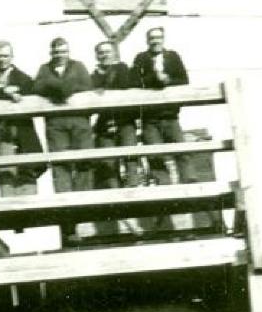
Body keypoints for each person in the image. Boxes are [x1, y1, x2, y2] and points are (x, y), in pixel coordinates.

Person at [0, 40, 44, 196]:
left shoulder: (24, 79)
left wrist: (19, 95)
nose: (2, 59)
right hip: (0, 137)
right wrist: (4, 93)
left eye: (5, 56)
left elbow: (34, 98)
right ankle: (10, 217)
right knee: (6, 178)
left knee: (28, 177)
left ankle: (30, 216)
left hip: (23, 135)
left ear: (12, 57)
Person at [130, 25, 189, 184]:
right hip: (150, 117)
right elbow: (134, 82)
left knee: (181, 151)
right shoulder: (141, 58)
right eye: (152, 38)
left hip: (170, 115)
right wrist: (154, 79)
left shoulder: (173, 56)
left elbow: (184, 81)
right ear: (147, 41)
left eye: (158, 37)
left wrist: (168, 80)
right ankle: (163, 184)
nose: (155, 41)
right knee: (155, 154)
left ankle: (190, 182)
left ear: (163, 39)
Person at [33, 37, 93, 192]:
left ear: (68, 52)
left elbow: (87, 85)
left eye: (63, 51)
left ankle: (85, 203)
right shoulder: (44, 68)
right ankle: (65, 207)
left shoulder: (78, 66)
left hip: (79, 121)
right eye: (56, 52)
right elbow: (38, 87)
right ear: (51, 53)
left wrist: (59, 88)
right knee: (60, 163)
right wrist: (59, 86)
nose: (60, 55)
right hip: (56, 123)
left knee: (84, 161)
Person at [91, 40, 139, 190]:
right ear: (97, 56)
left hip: (124, 121)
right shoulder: (93, 75)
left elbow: (123, 85)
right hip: (105, 124)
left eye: (107, 51)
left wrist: (104, 79)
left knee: (130, 157)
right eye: (101, 52)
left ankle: (133, 191)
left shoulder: (122, 68)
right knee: (108, 162)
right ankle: (115, 194)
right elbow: (93, 94)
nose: (104, 55)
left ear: (114, 53)